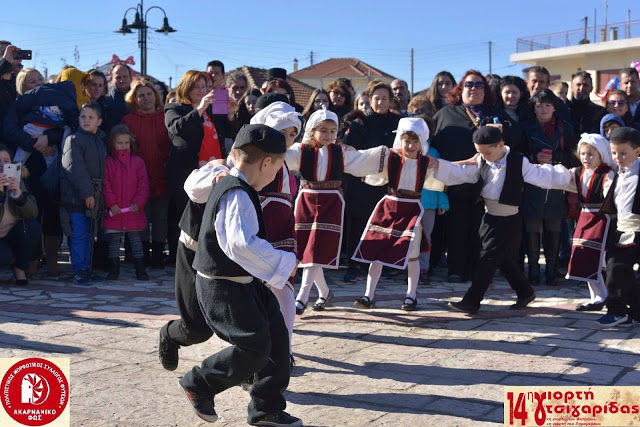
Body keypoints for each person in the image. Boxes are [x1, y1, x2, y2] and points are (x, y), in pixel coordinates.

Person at [178, 124, 302, 427]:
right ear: (266, 163)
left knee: (277, 337)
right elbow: (240, 244)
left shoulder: (234, 182)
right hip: (222, 287)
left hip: (242, 282)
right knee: (255, 347)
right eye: (278, 167)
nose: (277, 176)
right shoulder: (237, 193)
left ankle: (266, 407)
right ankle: (199, 383)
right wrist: (284, 262)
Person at [430, 126, 572, 314]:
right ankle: (525, 291)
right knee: (503, 259)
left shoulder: (518, 161)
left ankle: (472, 300)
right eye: (479, 152)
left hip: (508, 219)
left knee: (487, 259)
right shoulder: (482, 160)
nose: (483, 156)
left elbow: (543, 175)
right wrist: (438, 165)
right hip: (488, 217)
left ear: (500, 145)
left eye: (487, 152)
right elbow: (464, 173)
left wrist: (569, 175)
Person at [290, 107, 387, 314]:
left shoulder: (340, 151)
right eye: (323, 130)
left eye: (333, 131)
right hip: (306, 201)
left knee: (316, 250)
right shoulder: (301, 150)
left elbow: (363, 160)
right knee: (308, 249)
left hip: (330, 203)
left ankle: (302, 297)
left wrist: (388, 154)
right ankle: (324, 292)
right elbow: (281, 155)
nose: (329, 135)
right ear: (312, 130)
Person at [431, 70, 516, 283]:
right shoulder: (446, 114)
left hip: (488, 183)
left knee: (483, 228)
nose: (474, 89)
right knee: (456, 227)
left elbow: (517, 138)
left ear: (485, 91)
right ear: (460, 89)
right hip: (456, 182)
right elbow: (434, 144)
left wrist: (502, 130)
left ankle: (481, 271)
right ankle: (456, 269)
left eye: (479, 85)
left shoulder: (497, 114)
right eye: (469, 84)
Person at [352, 118, 444, 310]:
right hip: (389, 207)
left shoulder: (427, 163)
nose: (410, 145)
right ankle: (368, 295)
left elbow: (451, 171)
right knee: (376, 252)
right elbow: (364, 160)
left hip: (412, 210)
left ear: (422, 142)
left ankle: (411, 296)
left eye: (415, 141)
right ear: (399, 140)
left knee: (413, 255)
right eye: (406, 141)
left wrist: (471, 163)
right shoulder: (390, 159)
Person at [165, 70, 232, 262]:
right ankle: (181, 258)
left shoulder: (213, 109)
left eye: (204, 86)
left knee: (212, 214)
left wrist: (231, 113)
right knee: (186, 216)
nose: (201, 90)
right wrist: (199, 109)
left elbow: (228, 131)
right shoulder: (174, 108)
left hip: (214, 171)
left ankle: (209, 256)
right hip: (187, 173)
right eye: (196, 87)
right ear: (185, 87)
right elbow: (178, 129)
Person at [342, 82, 402, 282]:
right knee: (360, 223)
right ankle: (354, 264)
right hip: (363, 182)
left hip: (389, 183)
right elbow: (351, 151)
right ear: (369, 100)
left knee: (385, 223)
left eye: (385, 98)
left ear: (391, 101)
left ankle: (381, 263)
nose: (380, 102)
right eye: (376, 98)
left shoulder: (398, 122)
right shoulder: (360, 123)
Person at [522, 89, 577, 286]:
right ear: (533, 108)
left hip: (557, 184)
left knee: (554, 225)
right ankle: (534, 269)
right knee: (533, 226)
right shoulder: (525, 128)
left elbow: (575, 155)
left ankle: (552, 270)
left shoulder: (566, 128)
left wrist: (555, 158)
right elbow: (517, 155)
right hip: (532, 184)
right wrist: (533, 159)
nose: (543, 109)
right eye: (539, 105)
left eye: (547, 105)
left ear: (554, 107)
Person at [560, 134, 615, 311]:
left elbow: (614, 194)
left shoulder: (608, 173)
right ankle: (598, 297)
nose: (586, 158)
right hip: (585, 218)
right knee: (585, 257)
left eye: (591, 154)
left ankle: (607, 297)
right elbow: (554, 176)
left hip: (603, 219)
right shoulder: (578, 172)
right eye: (583, 154)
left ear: (601, 155)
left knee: (600, 260)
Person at [122, 79, 172, 268]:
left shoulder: (166, 117)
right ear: (134, 98)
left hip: (162, 175)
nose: (146, 98)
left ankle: (158, 256)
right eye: (141, 95)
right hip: (137, 178)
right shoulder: (128, 120)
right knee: (140, 215)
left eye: (149, 94)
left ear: (155, 96)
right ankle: (141, 255)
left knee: (160, 216)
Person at [596, 127, 640, 327]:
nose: (618, 157)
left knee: (619, 270)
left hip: (637, 230)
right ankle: (619, 310)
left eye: (623, 153)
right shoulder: (616, 174)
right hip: (623, 230)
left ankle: (621, 311)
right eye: (614, 153)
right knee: (616, 268)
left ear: (637, 151)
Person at [59, 101, 107, 285]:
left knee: (89, 234)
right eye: (83, 117)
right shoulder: (74, 140)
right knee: (79, 233)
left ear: (99, 121)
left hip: (94, 198)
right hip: (77, 198)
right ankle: (79, 270)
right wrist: (87, 194)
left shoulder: (100, 143)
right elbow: (75, 169)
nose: (86, 120)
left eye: (91, 117)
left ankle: (87, 269)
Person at [102, 125, 150, 281]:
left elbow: (143, 186)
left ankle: (140, 270)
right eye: (119, 143)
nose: (123, 146)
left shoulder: (138, 162)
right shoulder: (108, 162)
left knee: (136, 241)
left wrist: (138, 202)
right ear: (112, 144)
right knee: (114, 242)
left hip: (133, 210)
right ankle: (113, 270)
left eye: (126, 143)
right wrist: (112, 203)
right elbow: (106, 185)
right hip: (115, 211)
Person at [0, 144, 41, 285]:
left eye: (5, 161)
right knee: (3, 256)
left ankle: (19, 267)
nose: (1, 165)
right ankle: (10, 259)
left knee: (32, 227)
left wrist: (18, 194)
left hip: (10, 234)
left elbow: (33, 214)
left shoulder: (18, 181)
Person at [568, 71, 604, 135]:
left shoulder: (599, 112)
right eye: (578, 85)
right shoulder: (564, 109)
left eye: (585, 85)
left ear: (591, 88)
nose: (581, 88)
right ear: (572, 87)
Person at [102, 63, 132, 133]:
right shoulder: (105, 103)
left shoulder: (140, 100)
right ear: (111, 79)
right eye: (118, 77)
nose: (122, 80)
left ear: (130, 78)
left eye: (125, 77)